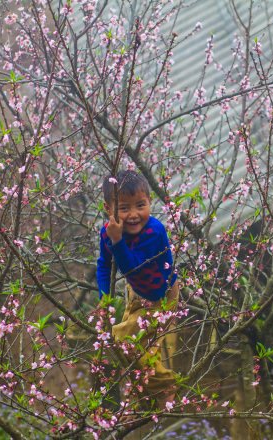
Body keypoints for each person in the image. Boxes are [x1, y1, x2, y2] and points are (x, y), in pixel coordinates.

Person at [97, 169, 179, 409]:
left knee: (126, 341)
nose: (133, 215)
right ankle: (143, 389)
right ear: (108, 208)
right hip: (137, 291)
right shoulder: (108, 233)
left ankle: (164, 385)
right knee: (135, 345)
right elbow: (105, 265)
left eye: (140, 205)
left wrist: (117, 241)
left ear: (149, 202)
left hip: (160, 294)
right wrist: (105, 298)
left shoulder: (154, 231)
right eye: (124, 208)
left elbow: (131, 268)